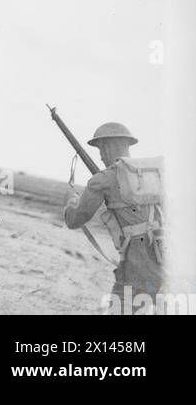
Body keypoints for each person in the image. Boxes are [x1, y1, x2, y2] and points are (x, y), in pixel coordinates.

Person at [64, 122, 165, 313]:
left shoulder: (103, 179)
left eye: (101, 149)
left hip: (137, 261)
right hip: (165, 252)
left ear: (108, 147)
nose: (100, 156)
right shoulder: (151, 175)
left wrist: (70, 201)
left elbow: (74, 220)